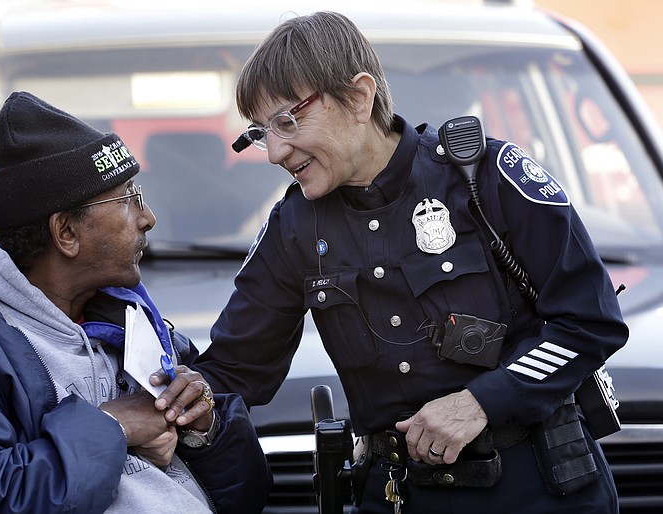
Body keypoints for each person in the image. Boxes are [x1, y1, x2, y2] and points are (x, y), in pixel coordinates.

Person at [194, 11, 628, 514]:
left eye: (287, 122)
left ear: (359, 97)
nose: (273, 151)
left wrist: (483, 401)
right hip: (398, 496)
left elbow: (589, 322)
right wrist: (180, 394)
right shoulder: (294, 227)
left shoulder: (483, 178)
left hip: (538, 492)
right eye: (260, 132)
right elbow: (234, 367)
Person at [0, 91, 271, 513]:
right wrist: (113, 426)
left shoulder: (128, 319)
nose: (147, 217)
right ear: (67, 234)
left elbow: (247, 497)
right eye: (128, 197)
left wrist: (205, 427)